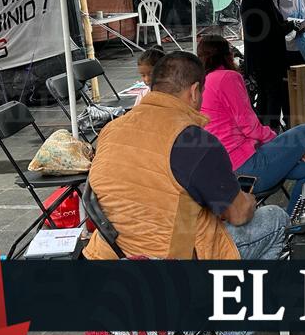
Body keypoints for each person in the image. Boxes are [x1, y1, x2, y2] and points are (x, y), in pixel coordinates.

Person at [83, 51, 288, 264]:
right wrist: (248, 201)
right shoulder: (195, 140)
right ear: (195, 91)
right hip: (175, 258)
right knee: (276, 218)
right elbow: (238, 215)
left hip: (109, 253)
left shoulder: (111, 129)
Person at [197, 35, 305, 214]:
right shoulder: (226, 78)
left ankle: (294, 225)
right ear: (227, 55)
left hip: (227, 172)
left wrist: (290, 151)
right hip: (245, 169)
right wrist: (286, 146)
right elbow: (250, 127)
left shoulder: (203, 84)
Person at [240, 0, 294, 129]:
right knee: (272, 98)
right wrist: (291, 24)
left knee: (262, 99)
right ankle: (271, 133)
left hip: (254, 59)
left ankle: (262, 133)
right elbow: (275, 29)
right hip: (270, 59)